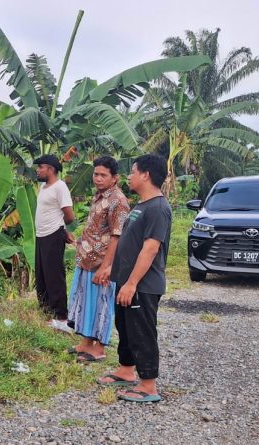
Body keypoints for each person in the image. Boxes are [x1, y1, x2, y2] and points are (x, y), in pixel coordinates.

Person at [98, 153, 171, 403]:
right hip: (126, 281)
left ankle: (148, 385)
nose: (129, 176)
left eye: (133, 171)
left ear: (146, 175)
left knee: (142, 331)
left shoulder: (159, 208)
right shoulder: (141, 205)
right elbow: (128, 243)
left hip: (143, 285)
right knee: (126, 328)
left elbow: (150, 249)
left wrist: (131, 283)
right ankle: (126, 371)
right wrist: (113, 270)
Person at [67, 156, 130, 362]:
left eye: (103, 175)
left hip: (102, 263)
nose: (98, 178)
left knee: (101, 304)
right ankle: (85, 342)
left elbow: (117, 235)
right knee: (86, 302)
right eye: (96, 174)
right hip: (87, 260)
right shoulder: (99, 196)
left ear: (115, 178)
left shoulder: (117, 201)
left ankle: (99, 348)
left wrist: (107, 266)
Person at [32, 154, 75, 333]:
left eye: (40, 167)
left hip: (53, 235)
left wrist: (60, 228)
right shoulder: (44, 186)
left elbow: (70, 215)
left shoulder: (60, 187)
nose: (38, 170)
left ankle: (62, 318)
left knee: (54, 276)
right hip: (41, 236)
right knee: (42, 275)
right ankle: (47, 312)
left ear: (50, 169)